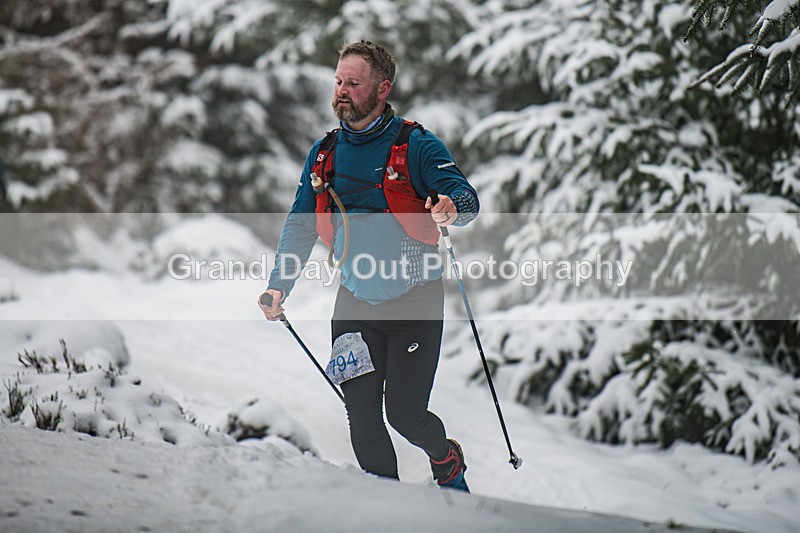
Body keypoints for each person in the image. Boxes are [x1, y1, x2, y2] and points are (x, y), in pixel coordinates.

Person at [258, 41, 479, 492]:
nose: (341, 91)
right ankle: (389, 508)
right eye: (338, 81)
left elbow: (466, 197)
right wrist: (279, 285)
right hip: (354, 304)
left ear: (382, 88)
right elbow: (300, 223)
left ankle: (446, 459)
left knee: (405, 416)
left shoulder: (415, 145)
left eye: (353, 83)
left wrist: (450, 207)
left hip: (414, 303)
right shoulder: (325, 153)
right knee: (361, 416)